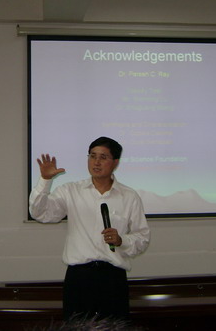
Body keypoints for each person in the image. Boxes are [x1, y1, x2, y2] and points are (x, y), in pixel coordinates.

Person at [29, 137, 150, 322]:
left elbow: (142, 238)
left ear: (115, 163)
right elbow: (40, 213)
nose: (96, 162)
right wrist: (45, 180)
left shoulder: (129, 196)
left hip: (113, 278)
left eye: (103, 157)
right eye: (92, 156)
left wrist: (121, 240)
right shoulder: (70, 191)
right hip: (79, 278)